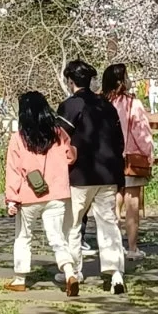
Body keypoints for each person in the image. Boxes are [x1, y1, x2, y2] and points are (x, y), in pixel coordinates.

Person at [59, 58, 127, 295]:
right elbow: (119, 142)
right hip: (108, 174)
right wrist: (119, 177)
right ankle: (115, 273)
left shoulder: (70, 106)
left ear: (70, 81)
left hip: (79, 176)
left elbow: (60, 140)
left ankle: (73, 272)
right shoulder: (107, 106)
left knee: (72, 224)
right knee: (108, 224)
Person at [4, 90, 81, 295]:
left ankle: (20, 278)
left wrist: (11, 199)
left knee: (23, 236)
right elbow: (71, 157)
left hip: (29, 194)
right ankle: (69, 272)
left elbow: (13, 170)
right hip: (57, 193)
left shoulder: (18, 138)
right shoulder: (59, 133)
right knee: (57, 237)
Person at [102, 62, 154, 260]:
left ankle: (114, 246)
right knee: (132, 203)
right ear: (121, 81)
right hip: (131, 157)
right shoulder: (133, 103)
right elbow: (141, 133)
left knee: (114, 201)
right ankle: (132, 247)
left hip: (108, 159)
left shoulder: (102, 103)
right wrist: (148, 153)